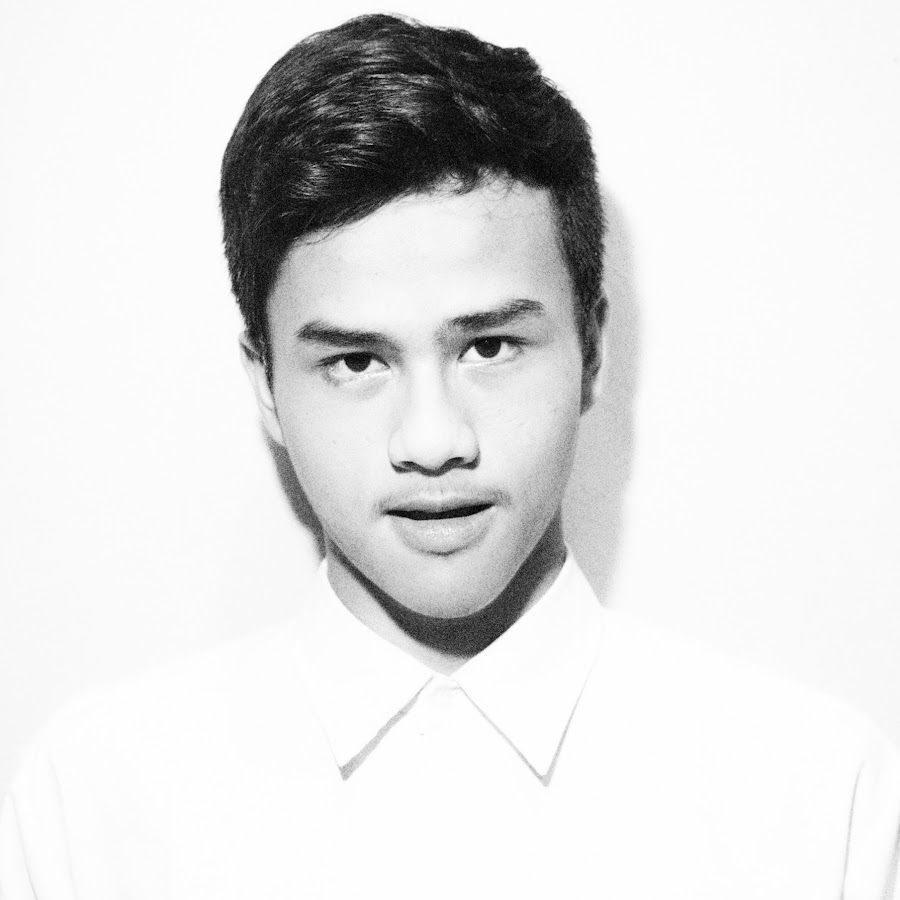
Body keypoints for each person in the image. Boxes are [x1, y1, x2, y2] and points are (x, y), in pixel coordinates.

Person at [1, 13, 898, 899]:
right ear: (266, 384)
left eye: (490, 347)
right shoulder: (90, 806)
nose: (432, 441)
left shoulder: (818, 800)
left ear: (592, 348)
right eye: (357, 362)